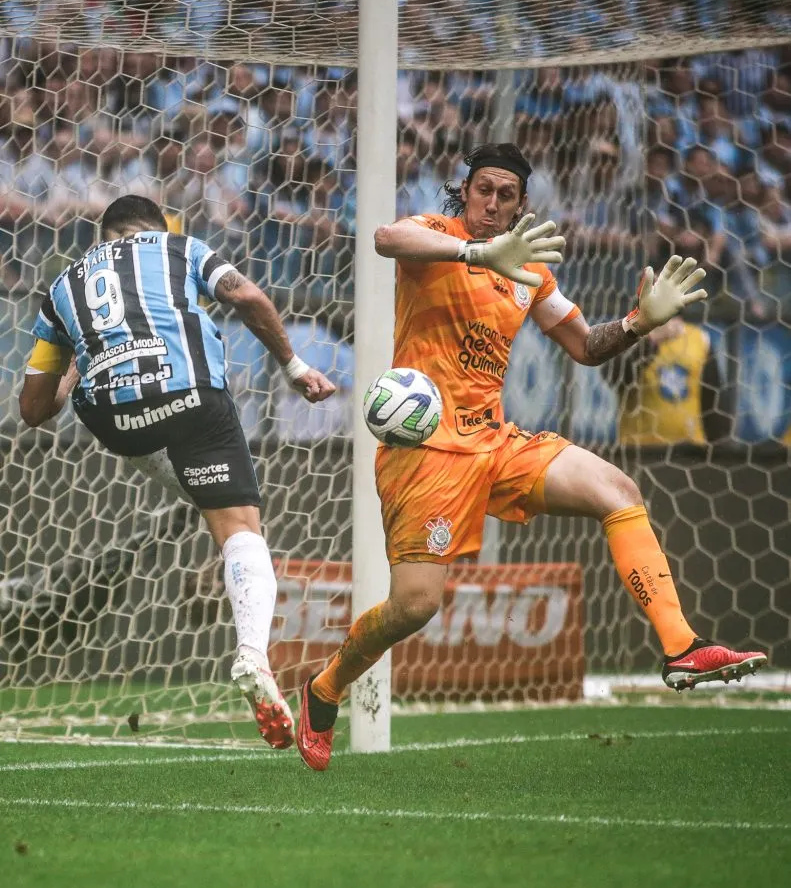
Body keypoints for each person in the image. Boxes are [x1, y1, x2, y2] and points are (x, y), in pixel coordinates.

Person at [295, 142, 768, 771]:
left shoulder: (530, 273)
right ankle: (325, 688)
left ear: (523, 204)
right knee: (415, 606)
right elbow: (385, 238)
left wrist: (637, 322)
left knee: (618, 490)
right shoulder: (438, 235)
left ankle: (682, 648)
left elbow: (585, 347)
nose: (493, 204)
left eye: (507, 195)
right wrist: (474, 251)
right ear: (464, 192)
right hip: (428, 452)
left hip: (496, 442)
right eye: (483, 190)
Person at [18, 194, 335, 750]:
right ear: (156, 227)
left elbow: (33, 411)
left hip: (114, 420)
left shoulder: (60, 289)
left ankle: (196, 488)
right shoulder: (179, 246)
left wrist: (72, 369)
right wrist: (295, 365)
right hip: (189, 399)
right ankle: (253, 657)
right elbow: (248, 296)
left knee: (163, 450)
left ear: (103, 235)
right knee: (239, 527)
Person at [601, 315, 732, 445]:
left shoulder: (700, 339)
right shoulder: (629, 334)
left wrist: (719, 449)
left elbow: (713, 399)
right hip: (638, 450)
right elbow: (612, 377)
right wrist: (651, 341)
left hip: (691, 450)